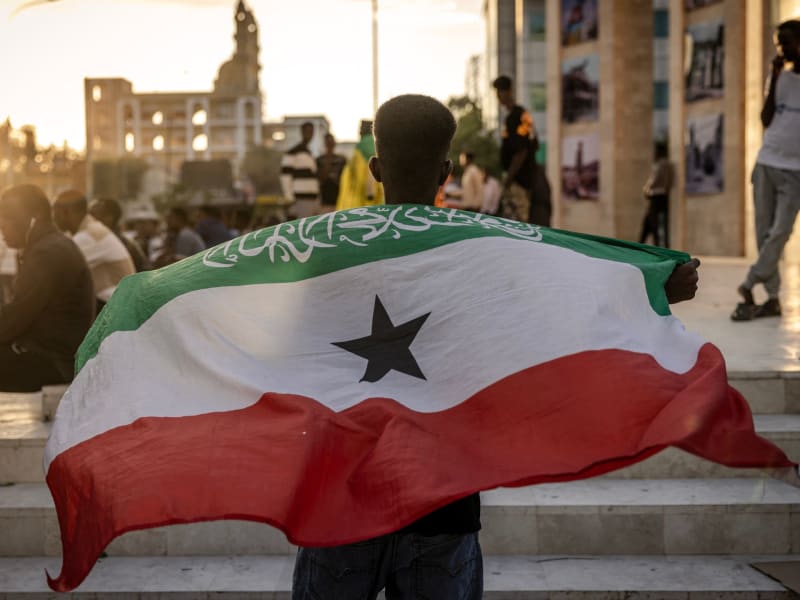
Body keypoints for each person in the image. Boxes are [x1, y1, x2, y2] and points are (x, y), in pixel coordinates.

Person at [291, 93, 702, 600]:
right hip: (443, 507)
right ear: (446, 171)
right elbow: (566, 286)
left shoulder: (325, 251)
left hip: (341, 505)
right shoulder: (482, 252)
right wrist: (651, 285)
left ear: (375, 167)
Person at [732, 20, 800, 322]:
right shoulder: (781, 78)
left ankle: (751, 279)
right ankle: (772, 297)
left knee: (780, 232)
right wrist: (772, 80)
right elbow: (766, 117)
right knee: (763, 231)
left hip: (796, 171)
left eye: (786, 41)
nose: (782, 47)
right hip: (767, 162)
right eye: (778, 42)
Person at [0, 184, 94, 392]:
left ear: (34, 218)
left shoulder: (47, 253)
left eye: (8, 216)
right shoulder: (49, 245)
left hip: (54, 362)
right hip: (54, 354)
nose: (2, 225)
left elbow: (16, 317)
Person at [53, 190, 135, 312]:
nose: (53, 218)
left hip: (118, 310)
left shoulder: (89, 236)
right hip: (116, 306)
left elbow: (55, 271)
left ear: (67, 212)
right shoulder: (90, 230)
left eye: (55, 213)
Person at [492, 75, 537, 223]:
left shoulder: (515, 117)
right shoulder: (522, 114)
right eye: (498, 92)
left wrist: (509, 179)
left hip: (519, 180)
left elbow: (521, 151)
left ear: (510, 91)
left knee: (518, 224)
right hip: (523, 178)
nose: (499, 96)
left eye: (502, 91)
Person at [89, 197, 150, 272]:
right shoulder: (93, 241)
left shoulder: (126, 246)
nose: (88, 219)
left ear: (109, 218)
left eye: (92, 214)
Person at [336, 119, 385, 210]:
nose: (359, 131)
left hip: (363, 192)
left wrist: (369, 190)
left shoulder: (363, 145)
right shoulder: (375, 144)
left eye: (361, 128)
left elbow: (366, 169)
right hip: (375, 191)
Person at [281, 121, 320, 218]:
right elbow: (285, 176)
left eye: (311, 132)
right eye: (307, 131)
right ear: (302, 132)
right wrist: (289, 198)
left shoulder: (309, 153)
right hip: (300, 199)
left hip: (313, 199)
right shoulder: (293, 152)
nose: (310, 134)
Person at [639, 142, 673, 248]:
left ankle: (652, 244)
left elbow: (655, 179)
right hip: (662, 195)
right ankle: (643, 243)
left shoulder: (661, 165)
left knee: (652, 221)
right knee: (651, 221)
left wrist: (647, 188)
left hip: (656, 195)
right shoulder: (668, 165)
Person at [316, 133, 347, 213]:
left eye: (331, 142)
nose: (330, 144)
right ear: (325, 144)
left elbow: (345, 179)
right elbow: (320, 179)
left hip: (340, 200)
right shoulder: (319, 160)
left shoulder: (341, 160)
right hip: (324, 201)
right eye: (328, 142)